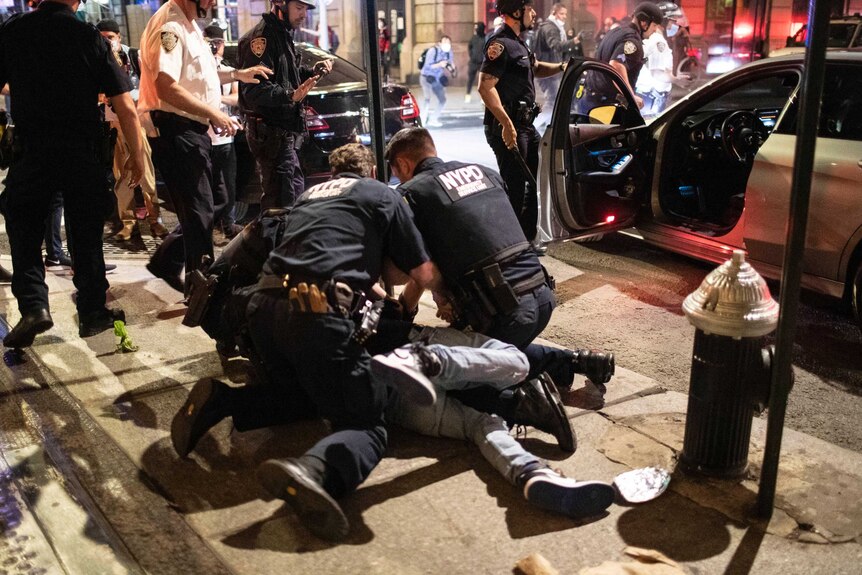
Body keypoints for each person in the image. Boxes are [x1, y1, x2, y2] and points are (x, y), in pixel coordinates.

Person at [180, 143, 444, 541]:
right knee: (368, 422)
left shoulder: (307, 196)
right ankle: (317, 472)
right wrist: (419, 303)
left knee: (306, 395)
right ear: (370, 170)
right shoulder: (380, 194)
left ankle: (223, 401)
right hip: (316, 313)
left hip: (263, 312)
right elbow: (422, 273)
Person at [385, 127, 614, 390]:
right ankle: (581, 361)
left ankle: (540, 385)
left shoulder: (413, 194)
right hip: (543, 296)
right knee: (495, 351)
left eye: (397, 174)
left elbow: (419, 267)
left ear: (402, 163)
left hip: (505, 313)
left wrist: (406, 311)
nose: (399, 181)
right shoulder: (485, 173)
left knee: (449, 370)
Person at [0, 0, 144, 348]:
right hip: (82, 152)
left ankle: (34, 305)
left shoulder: (13, 30)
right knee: (86, 231)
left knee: (23, 223)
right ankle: (94, 312)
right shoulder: (89, 36)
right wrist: (138, 158)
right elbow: (125, 105)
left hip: (32, 149)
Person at [138, 0, 270, 294]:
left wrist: (237, 74)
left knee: (211, 206)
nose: (213, 2)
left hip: (192, 131)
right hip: (176, 129)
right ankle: (202, 292)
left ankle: (170, 264)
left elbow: (202, 76)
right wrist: (214, 113)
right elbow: (165, 85)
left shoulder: (189, 25)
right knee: (199, 213)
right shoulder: (170, 27)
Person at [477, 0, 569, 249]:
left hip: (525, 125)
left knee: (535, 180)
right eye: (529, 8)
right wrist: (507, 125)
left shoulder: (519, 43)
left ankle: (527, 238)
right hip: (508, 127)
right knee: (517, 187)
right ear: (516, 12)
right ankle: (511, 244)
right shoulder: (500, 44)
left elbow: (535, 68)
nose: (534, 12)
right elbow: (485, 87)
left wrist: (562, 68)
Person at [237, 0, 333, 211]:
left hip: (284, 134)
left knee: (293, 196)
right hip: (271, 134)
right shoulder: (261, 39)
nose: (303, 15)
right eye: (299, 8)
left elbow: (287, 76)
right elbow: (253, 90)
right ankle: (275, 242)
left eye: (305, 9)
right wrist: (291, 95)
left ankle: (285, 241)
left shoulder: (282, 34)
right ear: (280, 3)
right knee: (281, 204)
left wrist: (312, 71)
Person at [97, 18, 169, 242]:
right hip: (115, 126)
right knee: (122, 177)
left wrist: (127, 99)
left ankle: (155, 220)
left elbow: (150, 85)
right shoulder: (97, 60)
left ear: (119, 37)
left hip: (138, 122)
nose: (107, 42)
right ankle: (127, 222)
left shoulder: (134, 56)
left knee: (146, 174)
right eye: (102, 39)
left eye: (110, 38)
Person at [203, 23, 243, 239]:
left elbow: (237, 97)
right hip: (204, 135)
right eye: (213, 42)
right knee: (206, 186)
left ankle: (229, 223)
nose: (218, 46)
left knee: (227, 184)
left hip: (224, 136)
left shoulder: (227, 69)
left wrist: (216, 100)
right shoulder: (201, 69)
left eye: (219, 42)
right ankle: (208, 225)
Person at [587, 2, 662, 110]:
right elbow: (617, 65)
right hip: (605, 106)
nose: (655, 30)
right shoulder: (632, 40)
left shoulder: (617, 31)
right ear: (644, 23)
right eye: (654, 25)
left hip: (592, 99)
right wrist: (631, 96)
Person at [534, 3, 582, 126]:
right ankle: (536, 125)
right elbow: (555, 46)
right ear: (554, 13)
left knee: (554, 99)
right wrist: (574, 41)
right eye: (562, 14)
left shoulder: (552, 27)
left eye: (565, 14)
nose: (564, 17)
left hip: (551, 68)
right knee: (552, 100)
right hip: (549, 70)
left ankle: (550, 126)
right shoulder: (550, 28)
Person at [635, 16, 675, 117]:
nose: (674, 25)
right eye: (672, 21)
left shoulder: (653, 38)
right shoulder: (658, 40)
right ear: (664, 21)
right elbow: (657, 73)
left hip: (648, 95)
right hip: (652, 97)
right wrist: (678, 80)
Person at [419, 35, 455, 128]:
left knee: (442, 100)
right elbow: (427, 66)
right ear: (440, 43)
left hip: (437, 78)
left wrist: (452, 69)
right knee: (427, 99)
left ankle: (433, 119)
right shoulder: (433, 51)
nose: (447, 44)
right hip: (426, 77)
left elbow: (450, 63)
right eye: (445, 42)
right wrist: (439, 64)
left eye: (448, 42)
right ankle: (422, 120)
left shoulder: (448, 52)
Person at [465, 22, 485, 103]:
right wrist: (472, 56)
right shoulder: (473, 37)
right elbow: (469, 47)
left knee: (482, 81)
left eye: (477, 27)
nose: (476, 29)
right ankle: (467, 95)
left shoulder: (485, 37)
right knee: (470, 80)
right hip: (473, 62)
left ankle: (483, 97)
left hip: (481, 63)